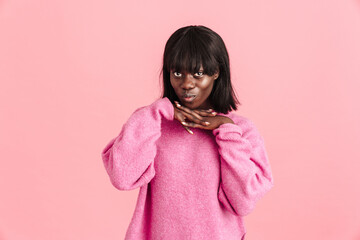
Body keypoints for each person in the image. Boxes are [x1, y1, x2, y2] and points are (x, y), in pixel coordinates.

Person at [101, 25, 274, 240]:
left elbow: (244, 201)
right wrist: (158, 111)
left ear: (216, 72)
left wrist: (226, 130)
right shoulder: (153, 124)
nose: (186, 84)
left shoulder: (241, 131)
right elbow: (121, 177)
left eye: (198, 73)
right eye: (177, 73)